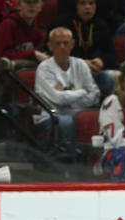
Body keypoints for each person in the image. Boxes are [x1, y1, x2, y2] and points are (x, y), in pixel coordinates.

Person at [33, 27, 100, 157]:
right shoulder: (44, 69)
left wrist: (67, 94)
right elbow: (58, 98)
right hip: (50, 116)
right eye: (58, 43)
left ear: (73, 44)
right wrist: (82, 92)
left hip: (78, 112)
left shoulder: (80, 64)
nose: (62, 47)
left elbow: (95, 95)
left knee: (93, 116)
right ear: (50, 46)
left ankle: (91, 158)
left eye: (66, 43)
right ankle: (68, 160)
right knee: (66, 121)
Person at [51, 0, 118, 96]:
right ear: (75, 6)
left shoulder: (101, 25)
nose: (87, 7)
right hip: (67, 73)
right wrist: (82, 64)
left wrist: (101, 61)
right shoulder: (61, 24)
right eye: (82, 3)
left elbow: (111, 55)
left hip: (94, 72)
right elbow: (54, 55)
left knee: (115, 77)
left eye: (91, 3)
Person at [0, 0, 49, 72]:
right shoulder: (8, 24)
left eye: (35, 2)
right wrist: (33, 54)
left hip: (20, 69)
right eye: (27, 2)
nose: (31, 6)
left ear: (41, 6)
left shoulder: (36, 28)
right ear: (19, 5)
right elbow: (2, 56)